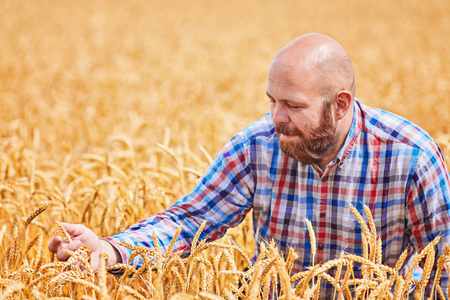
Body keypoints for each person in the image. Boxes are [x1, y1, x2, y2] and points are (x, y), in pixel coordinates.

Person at [49, 33, 450, 295]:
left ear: (341, 104)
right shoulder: (258, 145)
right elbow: (190, 221)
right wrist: (111, 251)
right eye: (272, 101)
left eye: (293, 105)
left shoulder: (411, 157)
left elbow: (443, 270)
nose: (277, 117)